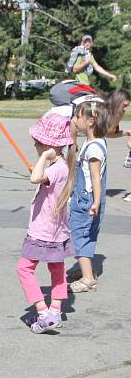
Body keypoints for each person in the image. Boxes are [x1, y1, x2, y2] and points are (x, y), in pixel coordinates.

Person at [16, 112, 76, 333]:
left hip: (43, 230)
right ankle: (56, 310)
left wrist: (43, 158)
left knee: (24, 268)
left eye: (37, 143)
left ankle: (43, 312)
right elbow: (40, 176)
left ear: (50, 145)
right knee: (57, 269)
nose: (34, 145)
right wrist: (44, 162)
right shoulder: (62, 167)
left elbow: (35, 178)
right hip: (57, 231)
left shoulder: (57, 168)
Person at [67, 97, 112, 292]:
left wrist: (95, 202)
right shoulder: (95, 141)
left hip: (85, 200)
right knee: (86, 235)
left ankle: (88, 279)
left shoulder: (94, 148)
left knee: (80, 236)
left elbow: (95, 178)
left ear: (91, 121)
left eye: (78, 117)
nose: (75, 120)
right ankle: (88, 270)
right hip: (87, 198)